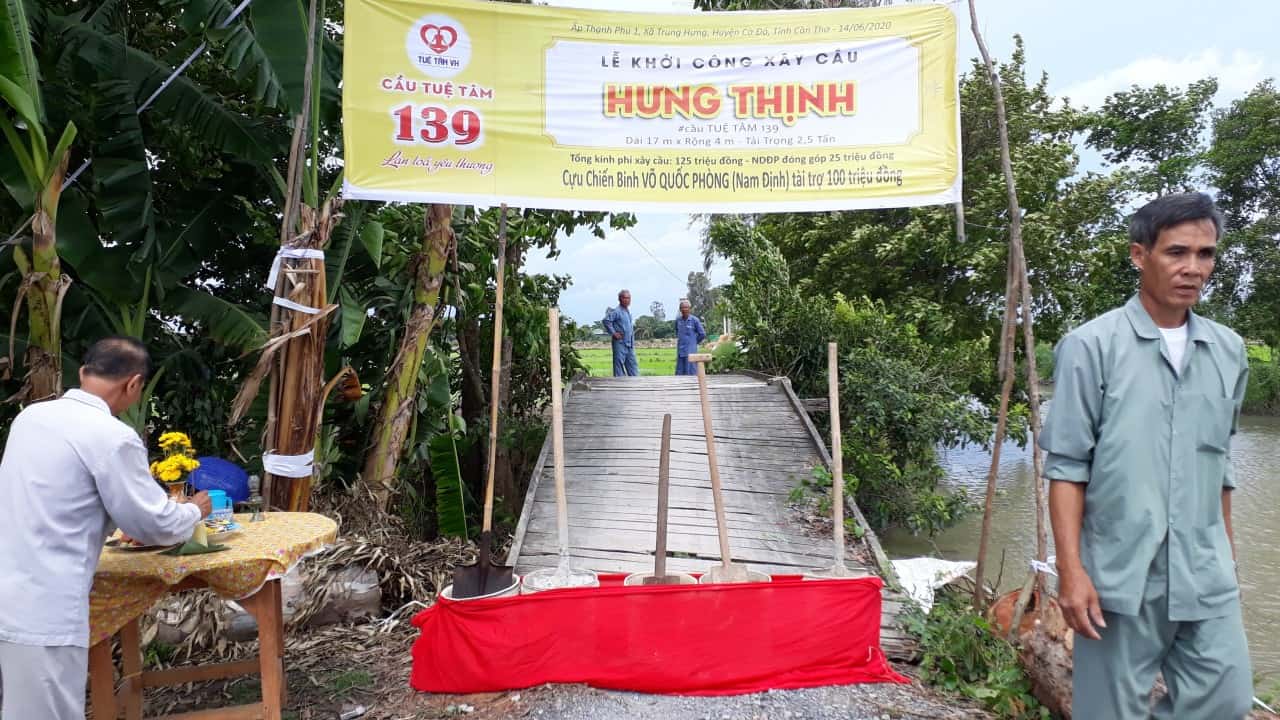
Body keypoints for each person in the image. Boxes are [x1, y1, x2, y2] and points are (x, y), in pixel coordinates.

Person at [1040, 193, 1252, 720]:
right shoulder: (1091, 346)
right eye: (1177, 252)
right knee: (1108, 710)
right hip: (1119, 571)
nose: (1193, 268)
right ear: (1140, 255)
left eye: (1205, 254)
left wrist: (1227, 559)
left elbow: (1219, 466)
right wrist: (1071, 571)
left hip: (1204, 568)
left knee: (1225, 699)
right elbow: (1067, 469)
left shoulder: (1228, 350)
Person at [0, 337, 211, 720]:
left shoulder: (30, 418)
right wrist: (193, 512)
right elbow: (153, 523)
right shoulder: (111, 437)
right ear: (134, 384)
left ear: (83, 373)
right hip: (44, 607)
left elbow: (59, 497)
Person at [602, 289, 639, 377]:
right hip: (620, 343)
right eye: (625, 298)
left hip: (629, 345)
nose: (627, 300)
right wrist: (614, 333)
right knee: (619, 367)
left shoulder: (627, 312)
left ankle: (635, 384)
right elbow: (606, 321)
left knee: (633, 367)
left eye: (629, 298)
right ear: (620, 299)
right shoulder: (617, 311)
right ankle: (619, 384)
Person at [674, 299, 707, 376]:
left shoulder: (695, 320)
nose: (684, 309)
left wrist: (694, 342)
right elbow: (677, 332)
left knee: (691, 374)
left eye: (686, 307)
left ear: (689, 309)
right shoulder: (678, 320)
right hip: (680, 352)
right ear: (680, 309)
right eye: (682, 308)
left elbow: (702, 334)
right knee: (680, 374)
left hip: (691, 352)